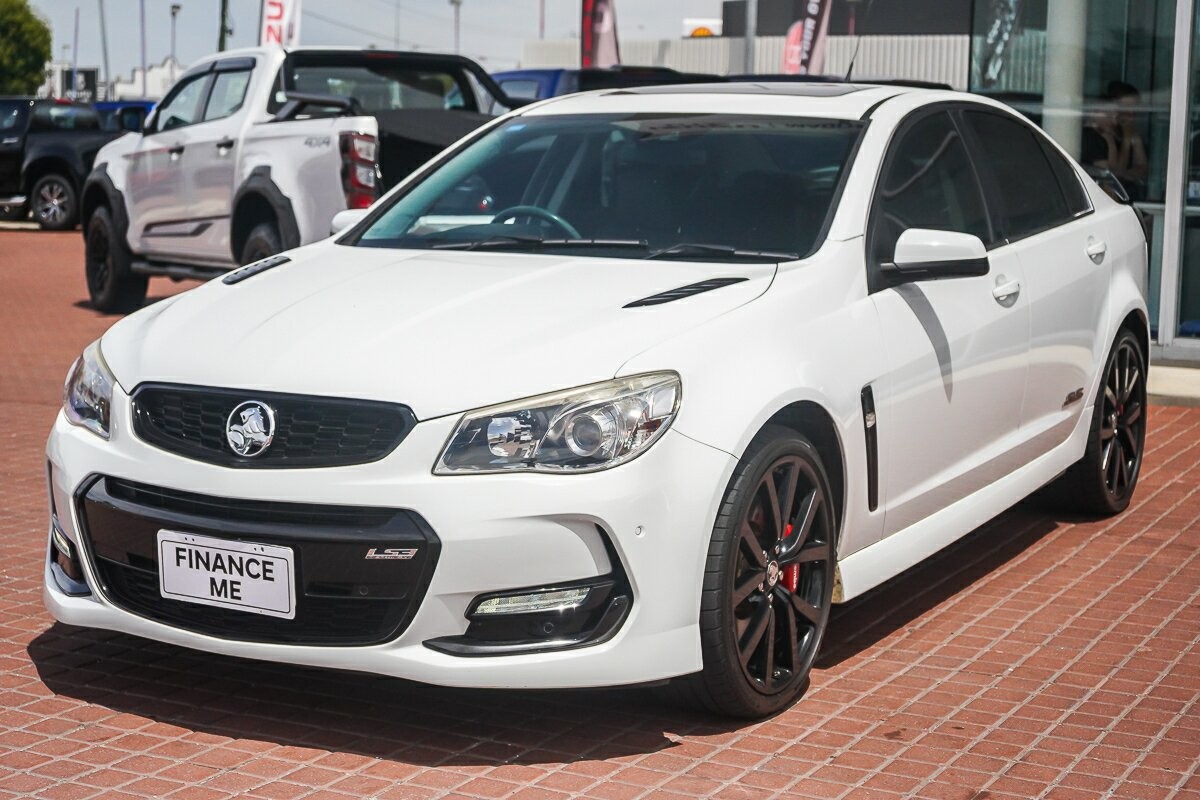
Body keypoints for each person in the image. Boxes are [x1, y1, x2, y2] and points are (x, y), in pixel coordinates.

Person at [1082, 80, 1148, 200]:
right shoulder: (1099, 134)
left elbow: (1142, 168)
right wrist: (1126, 141)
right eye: (1126, 108)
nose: (1131, 113)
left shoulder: (1130, 131)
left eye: (1135, 108)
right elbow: (1114, 173)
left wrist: (1126, 174)